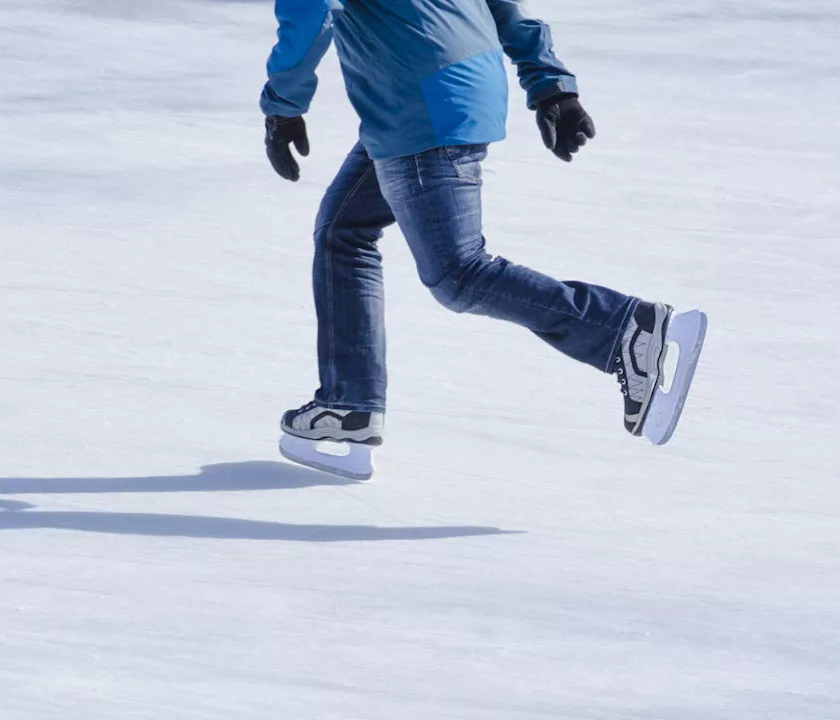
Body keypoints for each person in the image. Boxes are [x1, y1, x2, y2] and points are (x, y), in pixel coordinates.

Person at [262, 0, 692, 451]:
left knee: (457, 274)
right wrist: (551, 84)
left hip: (418, 97)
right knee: (342, 231)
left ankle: (623, 327)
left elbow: (309, 16)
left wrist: (284, 107)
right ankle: (349, 403)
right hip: (458, 81)